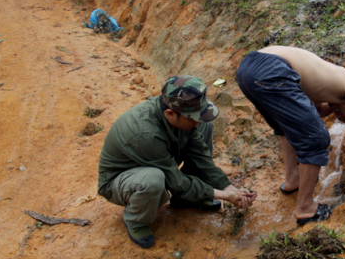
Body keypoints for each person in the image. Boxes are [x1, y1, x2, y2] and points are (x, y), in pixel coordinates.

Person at [98, 75, 257, 248]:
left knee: (205, 126)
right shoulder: (145, 134)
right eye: (193, 117)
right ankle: (136, 220)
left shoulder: (174, 113)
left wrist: (228, 187)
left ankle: (185, 199)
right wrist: (222, 195)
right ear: (170, 113)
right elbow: (175, 180)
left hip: (156, 162)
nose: (197, 120)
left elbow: (201, 158)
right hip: (121, 181)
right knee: (153, 179)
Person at [236, 46, 345, 225]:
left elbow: (316, 111)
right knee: (316, 137)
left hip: (248, 68)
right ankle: (305, 207)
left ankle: (292, 179)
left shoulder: (325, 83)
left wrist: (336, 108)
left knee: (287, 125)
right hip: (270, 69)